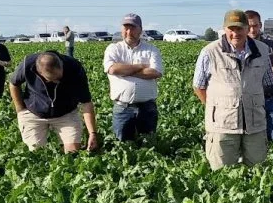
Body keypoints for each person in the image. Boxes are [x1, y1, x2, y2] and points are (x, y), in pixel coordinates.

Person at [193, 10, 271, 169]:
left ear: (247, 28)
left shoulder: (262, 50)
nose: (235, 33)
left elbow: (268, 81)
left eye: (240, 28)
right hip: (223, 125)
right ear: (224, 29)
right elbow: (199, 86)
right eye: (231, 29)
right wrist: (216, 109)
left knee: (257, 171)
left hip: (255, 124)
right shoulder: (210, 51)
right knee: (222, 172)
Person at [9, 51, 100, 152]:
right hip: (33, 113)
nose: (57, 81)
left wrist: (92, 133)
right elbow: (13, 83)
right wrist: (20, 109)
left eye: (59, 77)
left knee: (73, 152)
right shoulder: (28, 64)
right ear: (40, 73)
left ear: (61, 65)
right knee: (36, 153)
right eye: (53, 79)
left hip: (66, 112)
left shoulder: (74, 67)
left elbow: (86, 102)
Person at [103, 13, 163, 142]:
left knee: (148, 145)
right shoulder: (113, 49)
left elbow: (155, 73)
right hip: (123, 108)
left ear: (140, 30)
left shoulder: (151, 49)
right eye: (126, 28)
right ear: (121, 29)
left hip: (147, 107)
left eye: (133, 28)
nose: (129, 31)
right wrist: (141, 66)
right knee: (122, 144)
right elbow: (113, 69)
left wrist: (124, 71)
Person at [245, 10, 273, 142]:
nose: (252, 30)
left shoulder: (271, 45)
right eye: (249, 26)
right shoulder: (240, 47)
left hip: (270, 99)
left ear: (260, 25)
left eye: (255, 25)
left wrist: (257, 73)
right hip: (250, 102)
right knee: (255, 141)